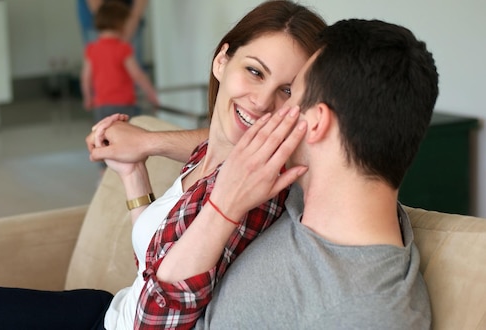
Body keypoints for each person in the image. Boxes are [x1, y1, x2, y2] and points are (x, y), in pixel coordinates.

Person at [0, 1, 326, 329]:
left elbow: (156, 319)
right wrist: (133, 171)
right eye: (254, 72)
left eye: (287, 91)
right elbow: (154, 259)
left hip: (121, 321)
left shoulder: (250, 192)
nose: (263, 101)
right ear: (221, 61)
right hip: (107, 308)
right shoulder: (207, 154)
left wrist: (216, 197)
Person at [88, 18, 439, 328]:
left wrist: (223, 206)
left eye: (291, 94)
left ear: (315, 122)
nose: (266, 110)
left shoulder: (362, 312)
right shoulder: (315, 195)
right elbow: (225, 142)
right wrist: (149, 143)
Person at [80, 0, 159, 124]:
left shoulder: (92, 49)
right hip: (124, 104)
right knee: (126, 135)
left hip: (101, 105)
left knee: (103, 136)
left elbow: (86, 77)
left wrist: (88, 97)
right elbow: (137, 75)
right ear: (121, 25)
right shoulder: (123, 49)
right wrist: (151, 93)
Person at [77, 0, 149, 68]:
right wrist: (108, 26)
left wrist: (132, 23)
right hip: (97, 19)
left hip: (129, 17)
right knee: (100, 70)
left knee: (133, 69)